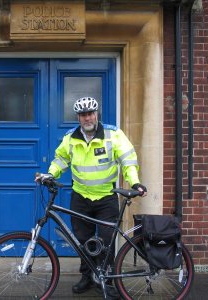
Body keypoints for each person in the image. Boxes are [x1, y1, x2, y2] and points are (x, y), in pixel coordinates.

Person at [36, 96, 147, 299]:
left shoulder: (113, 135)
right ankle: (87, 277)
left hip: (107, 197)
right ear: (78, 117)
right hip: (80, 197)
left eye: (90, 113)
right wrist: (51, 174)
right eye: (83, 115)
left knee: (106, 241)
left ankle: (109, 280)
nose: (87, 118)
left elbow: (128, 160)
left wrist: (134, 182)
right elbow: (61, 159)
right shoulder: (70, 138)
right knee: (82, 240)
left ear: (97, 115)